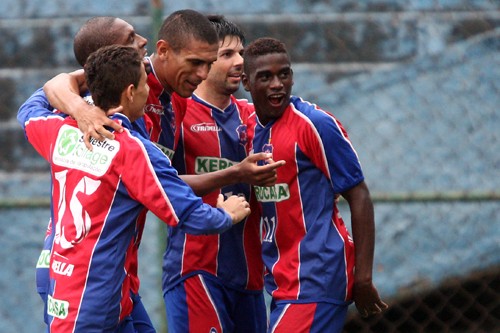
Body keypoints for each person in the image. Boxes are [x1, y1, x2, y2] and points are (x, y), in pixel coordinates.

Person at [18, 44, 251, 332]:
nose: (147, 91)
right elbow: (192, 217)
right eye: (144, 85)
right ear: (130, 92)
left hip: (67, 285)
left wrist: (81, 99)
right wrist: (227, 214)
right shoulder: (133, 149)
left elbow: (30, 107)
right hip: (95, 301)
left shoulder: (60, 129)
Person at [241, 37, 388, 332]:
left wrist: (363, 278)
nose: (277, 84)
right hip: (284, 281)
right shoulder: (252, 131)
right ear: (246, 82)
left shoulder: (315, 124)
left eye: (284, 74)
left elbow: (359, 195)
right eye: (265, 77)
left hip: (317, 276)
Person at [28, 16, 154, 332]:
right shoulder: (102, 123)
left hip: (100, 268)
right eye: (130, 38)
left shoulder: (99, 106)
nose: (143, 41)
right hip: (84, 272)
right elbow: (162, 187)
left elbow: (42, 96)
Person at [163, 15, 269, 332]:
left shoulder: (256, 118)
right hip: (197, 269)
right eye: (227, 55)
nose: (239, 62)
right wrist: (234, 173)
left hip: (251, 275)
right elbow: (157, 183)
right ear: (206, 62)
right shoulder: (176, 113)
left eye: (241, 53)